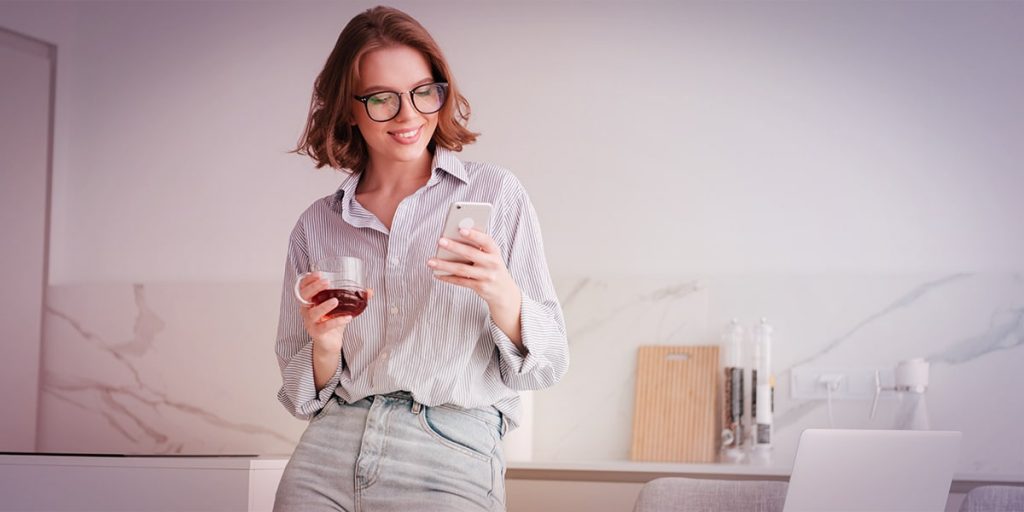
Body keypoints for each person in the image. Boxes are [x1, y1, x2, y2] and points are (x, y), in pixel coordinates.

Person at [272, 6, 569, 511]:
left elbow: (548, 365)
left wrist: (501, 294)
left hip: (450, 441)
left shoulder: (498, 194)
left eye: (423, 91)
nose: (409, 115)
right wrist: (325, 345)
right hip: (330, 446)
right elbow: (302, 394)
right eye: (382, 99)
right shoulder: (316, 225)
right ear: (349, 108)